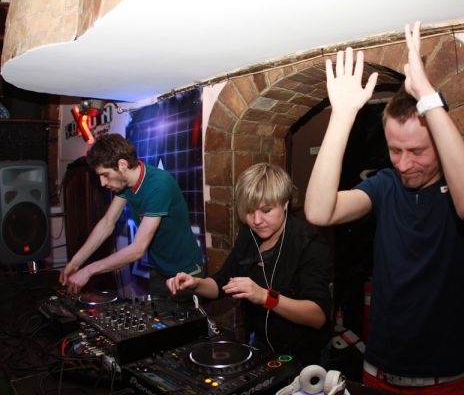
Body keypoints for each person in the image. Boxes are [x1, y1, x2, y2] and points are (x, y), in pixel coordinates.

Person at [304, 21, 464, 394]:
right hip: (378, 371)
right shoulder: (385, 185)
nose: (404, 164)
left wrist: (428, 96)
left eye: (417, 151)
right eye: (395, 150)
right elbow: (319, 212)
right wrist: (342, 116)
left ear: (439, 142)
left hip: (444, 379)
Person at [167, 163, 332, 366]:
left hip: (303, 355)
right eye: (249, 211)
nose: (256, 220)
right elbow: (222, 282)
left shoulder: (309, 243)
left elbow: (317, 316)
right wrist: (196, 283)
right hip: (262, 348)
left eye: (266, 210)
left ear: (285, 203)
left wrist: (265, 297)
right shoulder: (249, 234)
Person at [59, 133, 203, 297]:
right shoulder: (126, 185)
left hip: (186, 272)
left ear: (122, 165)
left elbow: (137, 249)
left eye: (105, 175)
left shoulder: (159, 184)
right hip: (160, 270)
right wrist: (75, 263)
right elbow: (107, 223)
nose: (102, 183)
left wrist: (88, 270)